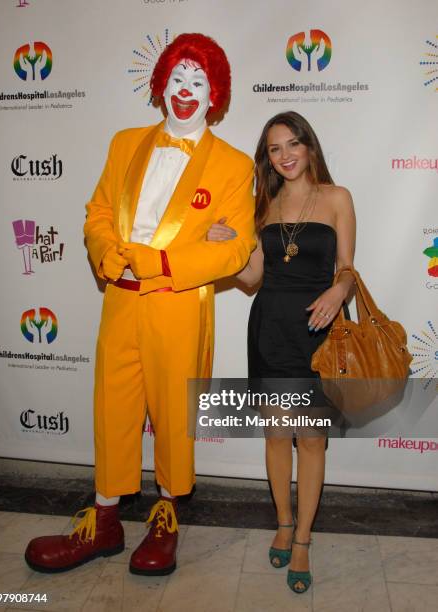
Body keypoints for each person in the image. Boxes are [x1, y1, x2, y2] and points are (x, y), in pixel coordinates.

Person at [24, 33, 255, 576]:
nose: (185, 91)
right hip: (120, 301)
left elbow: (239, 245)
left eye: (199, 82)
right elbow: (99, 210)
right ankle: (102, 522)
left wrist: (165, 264)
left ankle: (166, 517)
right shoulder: (125, 142)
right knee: (113, 409)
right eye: (178, 79)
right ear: (161, 85)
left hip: (177, 302)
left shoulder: (234, 164)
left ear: (214, 94)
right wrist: (104, 251)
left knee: (175, 415)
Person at [207, 111, 356, 593]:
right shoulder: (262, 205)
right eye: (275, 148)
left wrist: (339, 292)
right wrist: (223, 252)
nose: (286, 155)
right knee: (276, 438)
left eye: (294, 144)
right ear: (266, 158)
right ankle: (284, 522)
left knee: (311, 441)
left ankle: (304, 539)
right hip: (270, 328)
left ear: (310, 147)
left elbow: (348, 268)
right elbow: (252, 279)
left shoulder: (337, 198)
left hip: (318, 333)